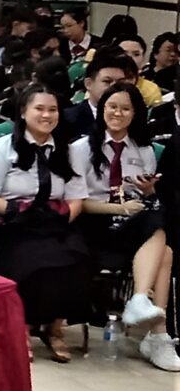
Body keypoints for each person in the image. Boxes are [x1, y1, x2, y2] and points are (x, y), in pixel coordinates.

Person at [0, 84, 93, 363]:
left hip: (54, 220)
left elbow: (77, 199)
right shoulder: (2, 148)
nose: (47, 115)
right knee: (32, 260)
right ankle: (23, 328)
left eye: (53, 110)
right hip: (11, 221)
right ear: (23, 112)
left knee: (78, 257)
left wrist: (60, 219)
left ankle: (55, 328)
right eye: (39, 108)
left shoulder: (68, 151)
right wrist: (18, 211)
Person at [76, 83, 179, 371]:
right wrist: (118, 209)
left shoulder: (143, 150)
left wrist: (148, 192)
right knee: (164, 248)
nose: (117, 113)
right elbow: (76, 203)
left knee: (164, 242)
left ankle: (149, 318)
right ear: (102, 109)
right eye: (112, 106)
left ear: (135, 114)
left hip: (130, 223)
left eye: (125, 109)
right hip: (93, 224)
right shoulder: (80, 149)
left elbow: (147, 199)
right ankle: (156, 333)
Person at [60, 52, 132, 140]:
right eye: (107, 81)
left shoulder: (133, 119)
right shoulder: (67, 118)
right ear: (88, 84)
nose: (114, 87)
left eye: (120, 82)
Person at [109, 35, 164, 106]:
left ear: (143, 58)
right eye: (124, 53)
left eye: (136, 54)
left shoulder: (150, 89)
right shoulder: (105, 82)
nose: (130, 58)